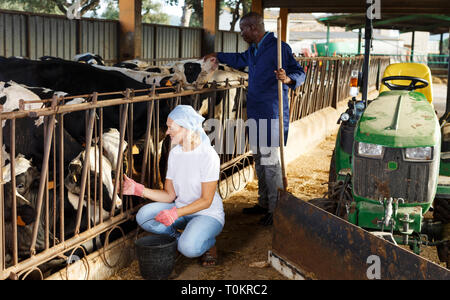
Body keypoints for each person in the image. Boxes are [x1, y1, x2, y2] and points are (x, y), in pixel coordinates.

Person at [203, 12, 305, 226]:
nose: (241, 34)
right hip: (256, 111)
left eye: (243, 30)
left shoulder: (279, 47)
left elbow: (299, 72)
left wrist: (287, 78)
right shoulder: (253, 50)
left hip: (272, 112)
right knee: (259, 160)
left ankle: (276, 209)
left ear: (252, 28)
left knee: (270, 163)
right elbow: (239, 60)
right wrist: (218, 55)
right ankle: (264, 202)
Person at [122, 105, 224, 267]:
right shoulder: (175, 153)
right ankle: (178, 239)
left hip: (207, 214)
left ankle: (208, 244)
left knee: (189, 248)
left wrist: (176, 213)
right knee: (144, 216)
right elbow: (169, 195)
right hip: (181, 210)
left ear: (186, 128)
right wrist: (139, 190)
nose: (167, 132)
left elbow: (206, 200)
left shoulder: (208, 156)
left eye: (171, 128)